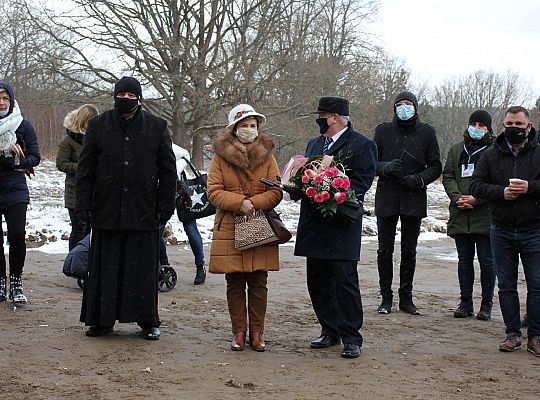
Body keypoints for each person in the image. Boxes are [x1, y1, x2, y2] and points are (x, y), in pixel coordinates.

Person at [76, 77, 177, 340]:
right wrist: (83, 206)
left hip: (144, 211)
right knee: (105, 269)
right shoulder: (98, 125)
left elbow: (168, 171)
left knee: (142, 269)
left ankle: (147, 320)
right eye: (122, 95)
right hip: (106, 210)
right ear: (114, 96)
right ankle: (100, 319)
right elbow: (85, 170)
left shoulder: (157, 127)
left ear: (140, 99)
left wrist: (165, 207)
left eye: (132, 96)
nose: (126, 100)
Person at [294, 96, 377, 359]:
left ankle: (351, 336)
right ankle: (329, 330)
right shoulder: (314, 143)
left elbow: (362, 182)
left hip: (341, 223)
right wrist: (297, 185)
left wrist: (330, 187)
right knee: (317, 282)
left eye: (321, 116)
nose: (318, 120)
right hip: (314, 223)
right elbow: (306, 174)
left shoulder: (362, 145)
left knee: (344, 282)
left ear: (334, 117)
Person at [207, 104, 282, 352]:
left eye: (253, 125)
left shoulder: (268, 156)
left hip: (259, 223)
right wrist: (239, 203)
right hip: (230, 225)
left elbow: (276, 190)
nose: (249, 130)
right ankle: (238, 332)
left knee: (259, 281)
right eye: (244, 125)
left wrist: (254, 203)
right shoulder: (220, 157)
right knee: (235, 282)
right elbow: (214, 191)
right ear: (234, 128)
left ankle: (257, 333)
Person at [470, 105, 540, 357]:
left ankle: (536, 336)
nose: (514, 129)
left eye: (519, 125)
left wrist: (529, 187)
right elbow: (476, 185)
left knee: (537, 284)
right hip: (501, 229)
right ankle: (512, 333)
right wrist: (501, 192)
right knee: (507, 285)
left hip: (534, 228)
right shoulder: (491, 154)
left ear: (528, 127)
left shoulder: (538, 152)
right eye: (509, 125)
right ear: (503, 126)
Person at [373, 90, 442, 315]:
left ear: (415, 107)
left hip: (413, 196)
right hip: (387, 196)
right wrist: (385, 167)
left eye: (408, 104)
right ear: (394, 108)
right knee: (384, 250)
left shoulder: (427, 132)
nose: (404, 108)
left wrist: (420, 179)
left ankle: (406, 298)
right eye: (400, 104)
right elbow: (371, 162)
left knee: (409, 251)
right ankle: (385, 298)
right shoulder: (382, 131)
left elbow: (435, 165)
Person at [442, 110, 495, 320]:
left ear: (489, 129)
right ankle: (465, 302)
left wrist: (476, 198)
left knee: (487, 261)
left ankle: (486, 304)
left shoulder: (494, 151)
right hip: (460, 213)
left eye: (482, 125)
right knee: (464, 260)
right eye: (474, 123)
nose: (477, 128)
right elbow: (448, 175)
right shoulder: (457, 149)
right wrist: (457, 198)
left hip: (485, 214)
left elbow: (496, 182)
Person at [0, 82, 41, 304]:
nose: (1, 102)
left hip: (15, 189)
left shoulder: (23, 125)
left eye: (5, 97)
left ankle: (16, 281)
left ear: (11, 100)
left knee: (17, 236)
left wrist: (15, 160)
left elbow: (35, 157)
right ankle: (0, 282)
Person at [159, 143, 207, 285]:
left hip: (182, 191)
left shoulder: (166, 142)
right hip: (161, 192)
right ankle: (164, 266)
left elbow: (186, 155)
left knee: (190, 229)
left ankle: (200, 266)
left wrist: (171, 171)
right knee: (157, 231)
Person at [56, 104, 99, 250]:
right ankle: (74, 259)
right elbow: (61, 164)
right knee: (79, 228)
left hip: (94, 192)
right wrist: (82, 167)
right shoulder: (68, 141)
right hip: (74, 191)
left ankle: (86, 260)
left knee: (90, 229)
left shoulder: (97, 139)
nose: (89, 125)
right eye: (87, 121)